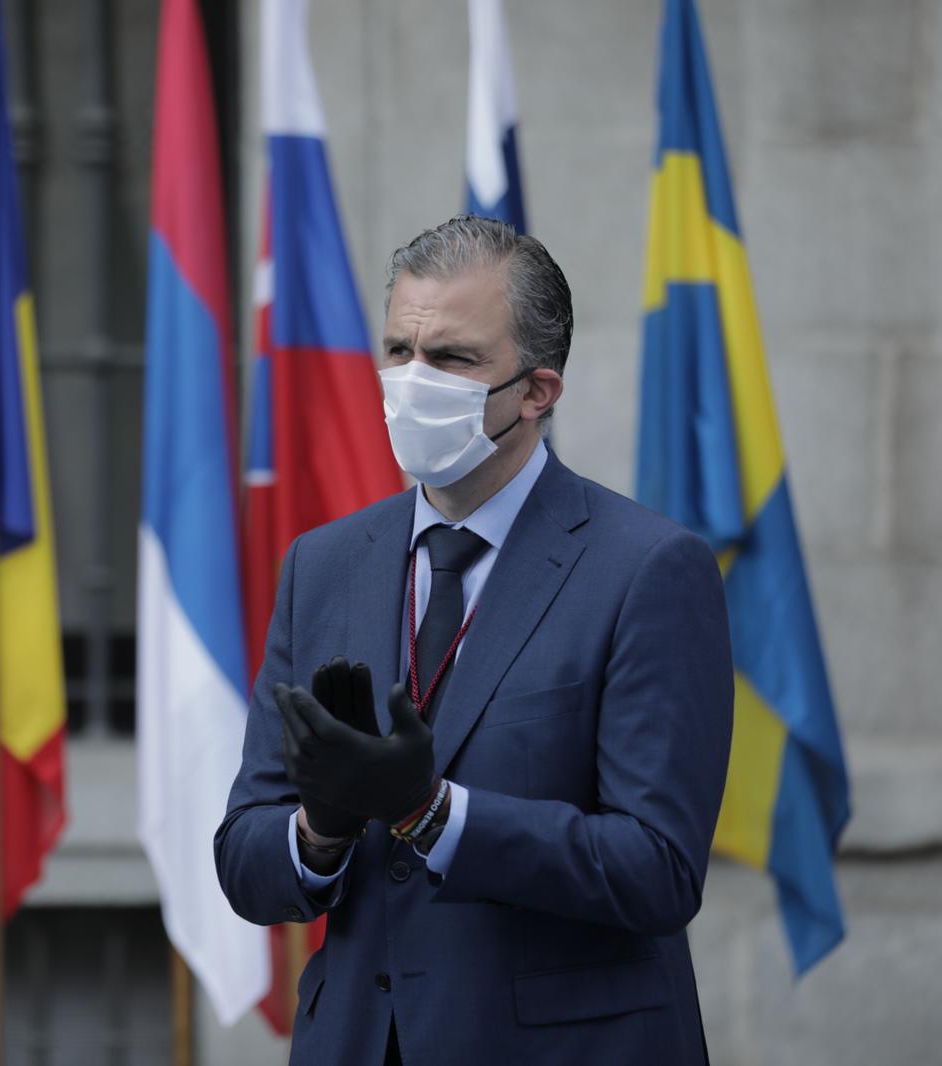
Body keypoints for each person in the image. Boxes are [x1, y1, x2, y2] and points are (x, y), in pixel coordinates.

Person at [215, 215, 734, 1065]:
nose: (414, 382)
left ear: (538, 392)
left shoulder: (647, 570)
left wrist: (434, 814)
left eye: (453, 359)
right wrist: (320, 830)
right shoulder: (325, 564)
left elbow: (657, 871)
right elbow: (244, 858)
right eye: (398, 352)